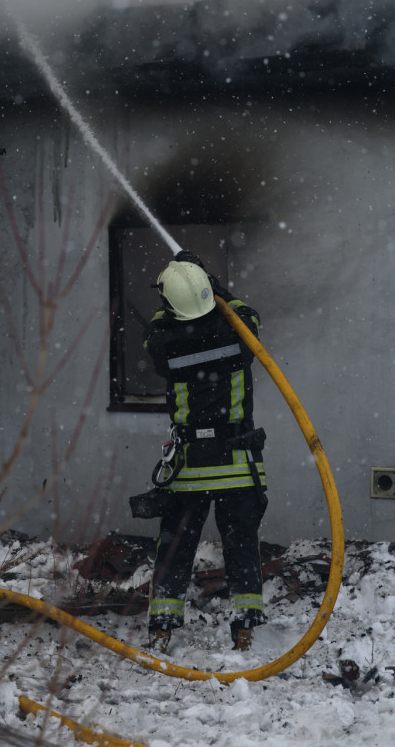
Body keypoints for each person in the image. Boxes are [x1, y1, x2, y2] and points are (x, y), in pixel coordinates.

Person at [143, 248, 267, 653]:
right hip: (235, 460)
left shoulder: (164, 344)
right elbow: (247, 312)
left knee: (176, 545)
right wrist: (211, 284)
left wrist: (182, 290)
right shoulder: (238, 332)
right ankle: (245, 624)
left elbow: (159, 323)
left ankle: (162, 624)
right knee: (242, 543)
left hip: (190, 466)